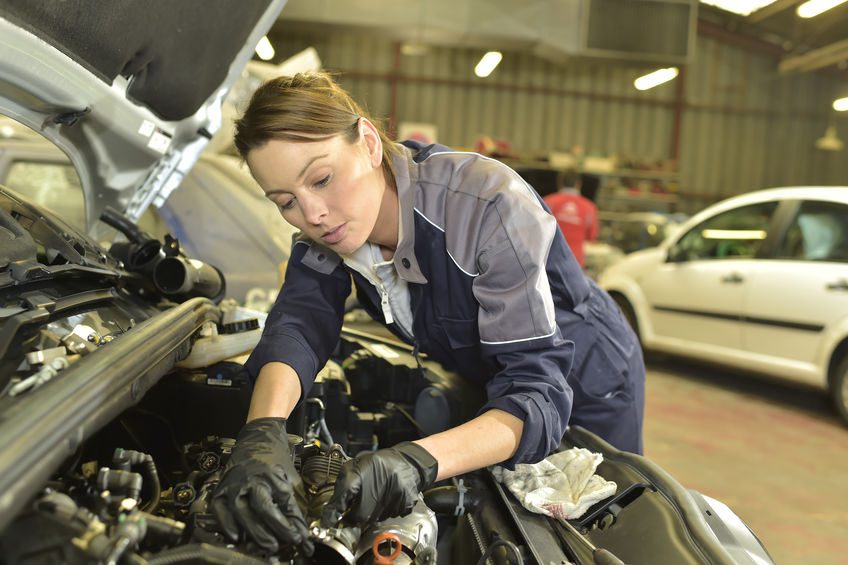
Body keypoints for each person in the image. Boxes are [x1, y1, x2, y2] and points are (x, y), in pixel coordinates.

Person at [210, 71, 645, 555]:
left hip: (586, 377)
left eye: (322, 178)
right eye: (285, 202)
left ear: (370, 144)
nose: (312, 214)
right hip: (495, 378)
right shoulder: (333, 232)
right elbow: (298, 322)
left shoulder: (488, 205)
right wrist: (261, 432)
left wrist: (415, 462)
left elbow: (535, 391)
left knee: (590, 531)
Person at [543, 168, 600, 268]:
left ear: (559, 182)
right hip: (575, 263)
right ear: (578, 184)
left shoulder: (547, 202)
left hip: (549, 259)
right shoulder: (589, 208)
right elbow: (592, 237)